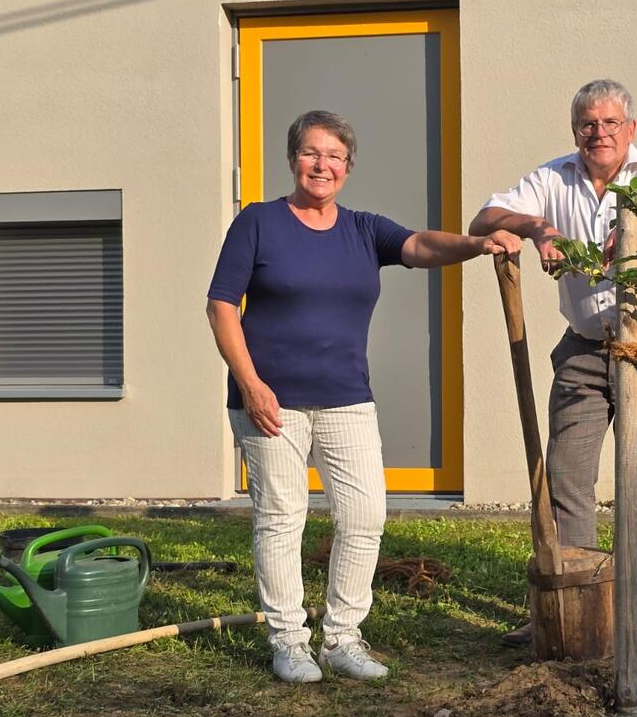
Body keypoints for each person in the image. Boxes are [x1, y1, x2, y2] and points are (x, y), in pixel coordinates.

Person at [207, 110, 520, 683]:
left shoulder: (364, 230)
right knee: (281, 519)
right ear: (292, 158)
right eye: (311, 152)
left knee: (364, 516)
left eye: (334, 156)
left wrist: (478, 243)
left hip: (347, 398)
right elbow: (221, 306)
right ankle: (289, 642)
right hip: (270, 401)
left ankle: (342, 639)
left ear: (348, 168)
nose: (321, 165)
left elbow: (420, 244)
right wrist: (250, 384)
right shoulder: (257, 223)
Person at [469, 79, 637, 645]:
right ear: (575, 131)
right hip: (584, 346)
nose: (599, 133)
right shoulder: (554, 178)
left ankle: (630, 607)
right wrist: (537, 227)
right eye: (588, 124)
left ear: (630, 129)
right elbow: (483, 218)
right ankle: (575, 602)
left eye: (610, 122)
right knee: (566, 476)